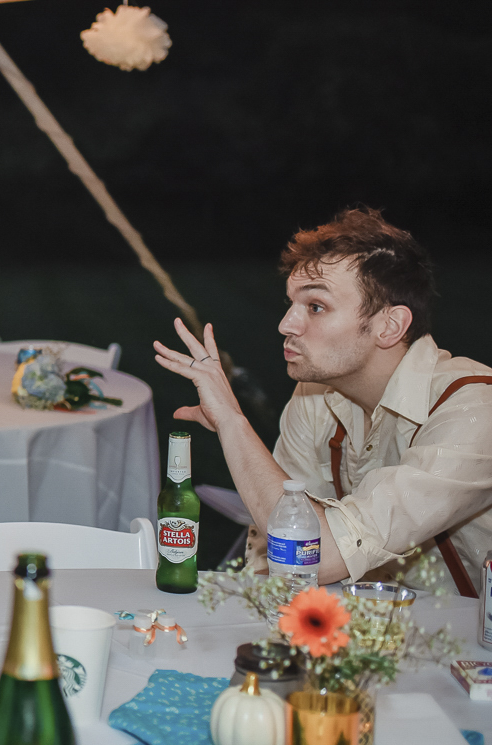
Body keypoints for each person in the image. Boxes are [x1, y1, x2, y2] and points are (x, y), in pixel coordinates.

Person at [154, 207, 492, 594]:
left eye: (315, 306)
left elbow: (314, 555)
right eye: (290, 304)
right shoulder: (315, 395)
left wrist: (232, 420)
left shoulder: (474, 411)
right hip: (362, 617)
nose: (286, 324)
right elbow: (275, 545)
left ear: (389, 325)